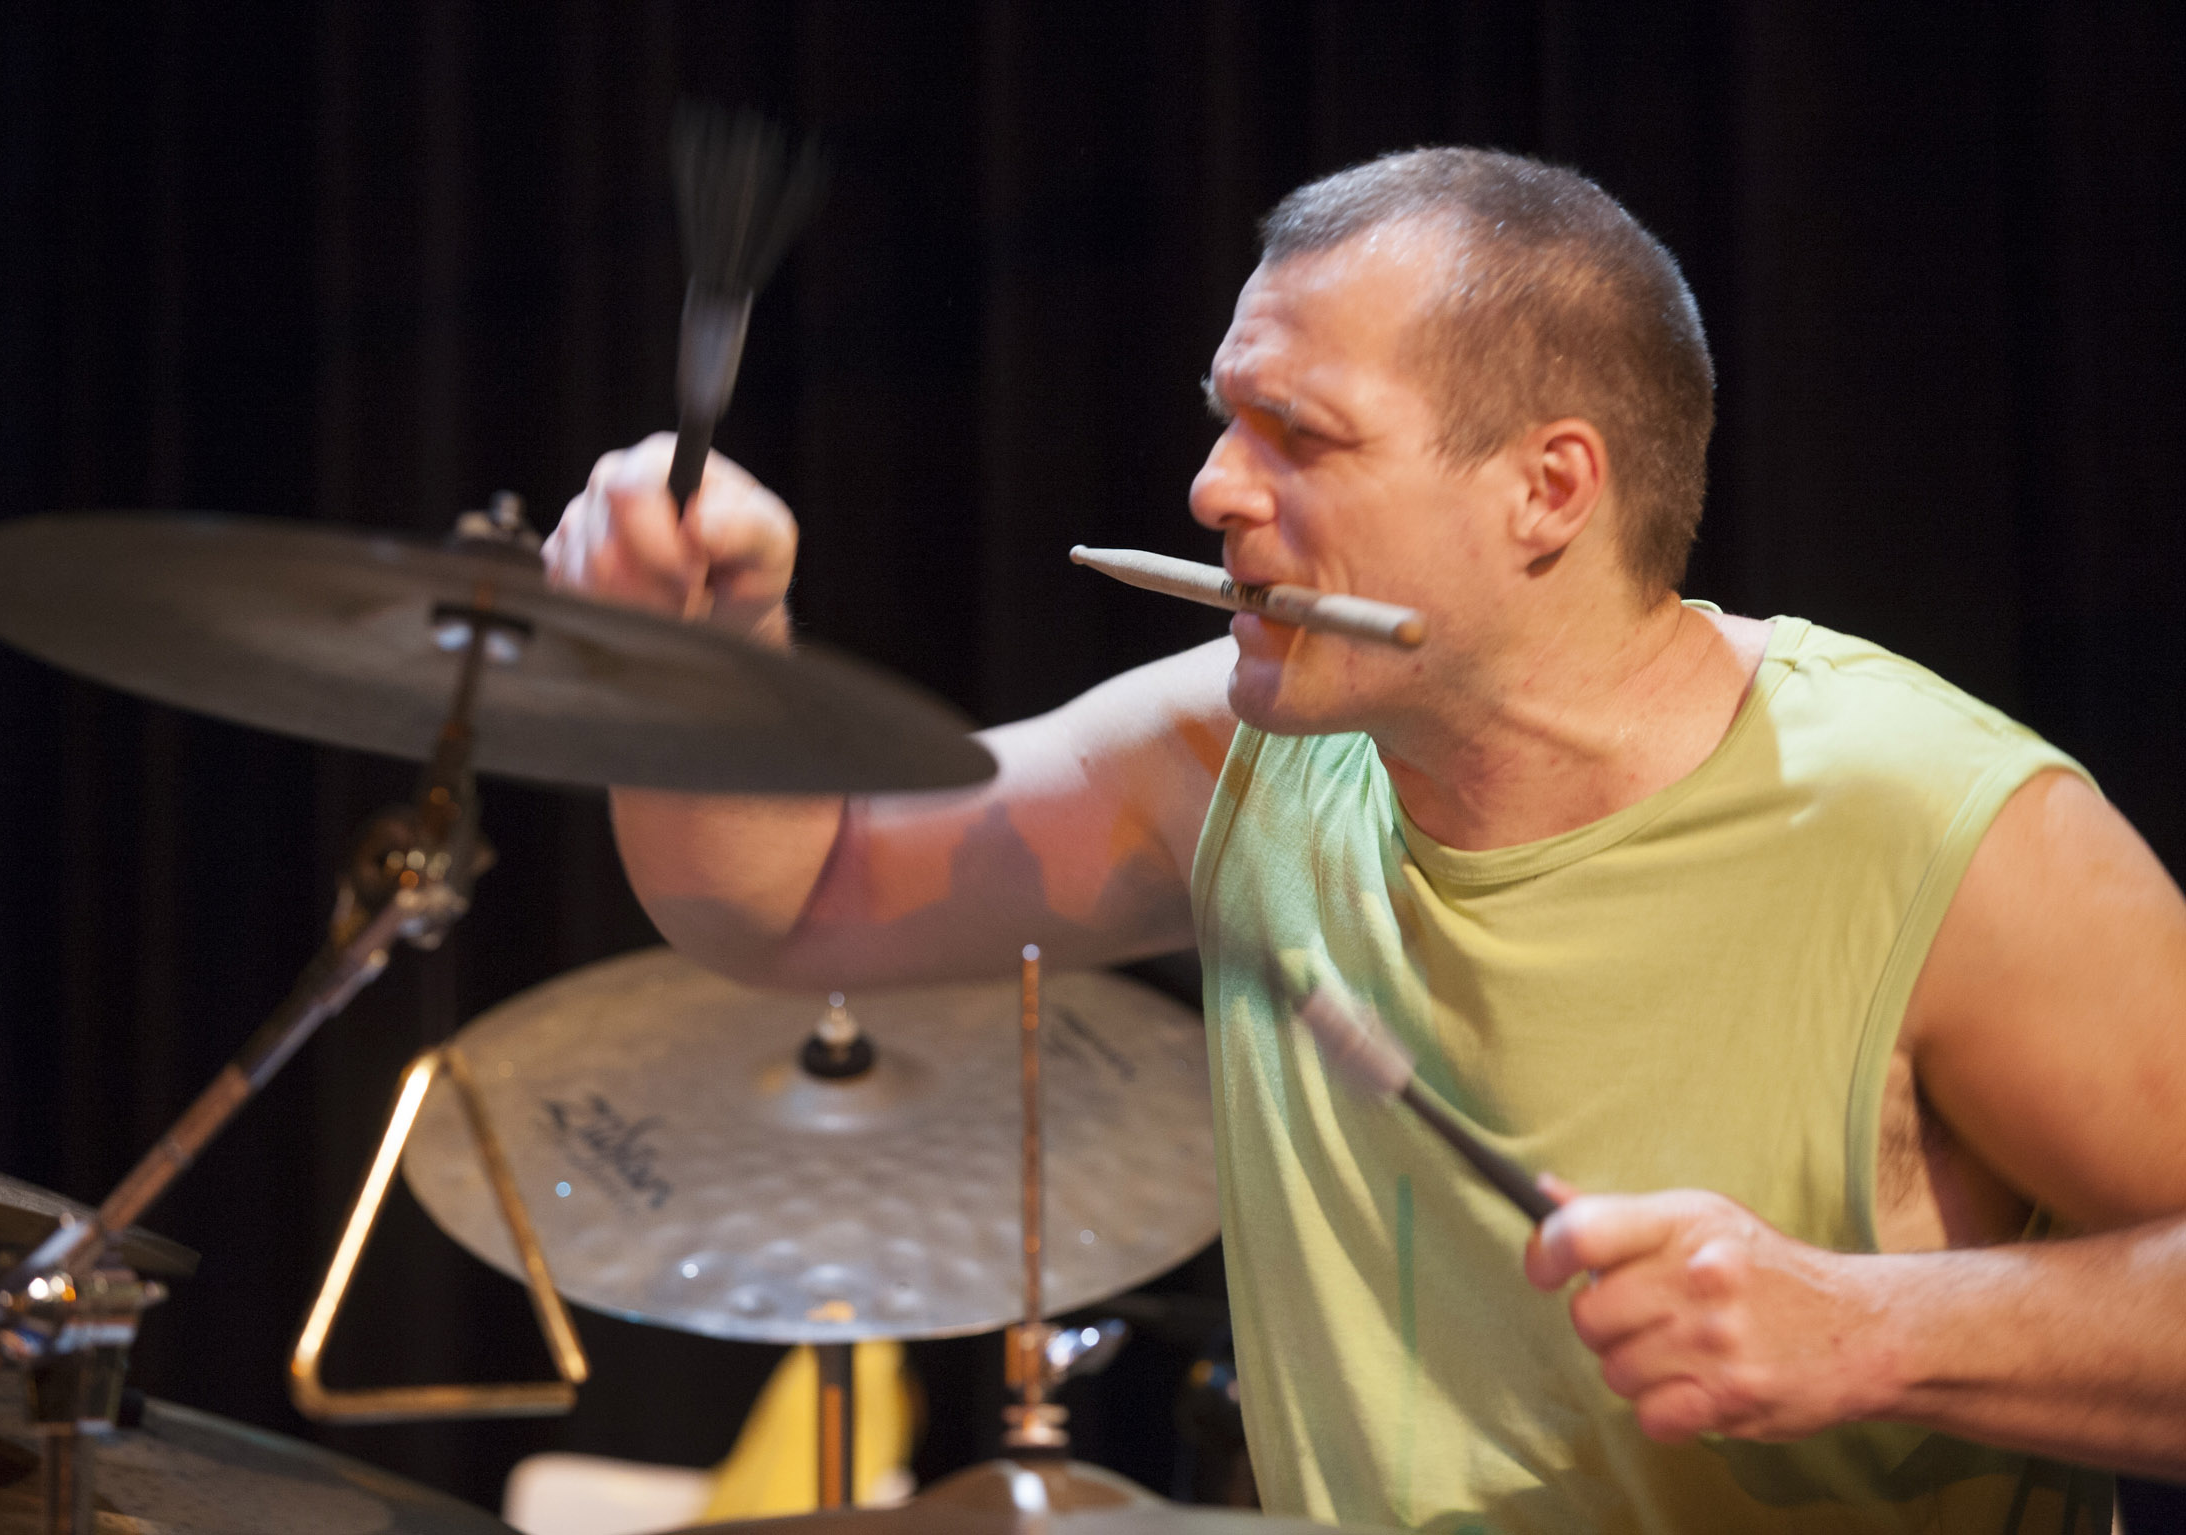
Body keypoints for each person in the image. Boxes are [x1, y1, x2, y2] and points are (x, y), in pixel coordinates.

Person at [543, 148, 2186, 1532]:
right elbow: (797, 897)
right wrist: (705, 654)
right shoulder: (1241, 750)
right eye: (1224, 422)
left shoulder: (1933, 823)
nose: (1213, 490)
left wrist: (1868, 1330)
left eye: (1300, 436)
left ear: (1549, 490)